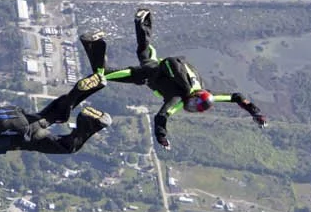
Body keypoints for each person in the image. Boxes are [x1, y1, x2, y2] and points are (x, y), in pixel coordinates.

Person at [78, 8, 265, 147]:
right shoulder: (178, 98)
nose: (189, 107)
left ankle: (143, 19)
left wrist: (255, 113)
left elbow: (236, 97)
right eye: (192, 105)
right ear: (193, 97)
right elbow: (161, 117)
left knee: (144, 50)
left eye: (193, 108)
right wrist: (162, 138)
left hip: (155, 68)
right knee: (102, 75)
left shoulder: (207, 94)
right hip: (147, 73)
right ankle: (92, 42)